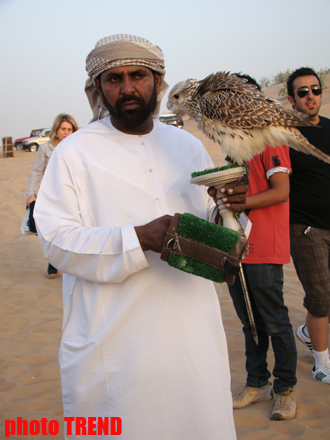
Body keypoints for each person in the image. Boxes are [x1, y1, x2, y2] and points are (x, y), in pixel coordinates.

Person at [34, 34, 247, 440]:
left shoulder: (188, 146)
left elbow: (218, 236)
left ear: (158, 82)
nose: (127, 88)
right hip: (113, 340)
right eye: (113, 79)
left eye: (138, 75)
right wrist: (139, 238)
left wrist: (231, 210)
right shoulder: (73, 152)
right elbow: (56, 239)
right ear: (98, 87)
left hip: (190, 335)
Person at [227, 74, 297, 420]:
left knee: (274, 320)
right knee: (250, 322)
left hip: (266, 245)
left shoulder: (270, 138)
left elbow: (280, 190)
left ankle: (285, 389)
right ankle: (256, 383)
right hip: (238, 246)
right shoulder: (235, 143)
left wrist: (243, 203)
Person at [287, 67, 330, 384]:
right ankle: (322, 364)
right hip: (304, 228)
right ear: (291, 99)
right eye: (303, 92)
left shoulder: (329, 128)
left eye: (315, 90)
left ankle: (306, 332)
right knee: (321, 297)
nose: (310, 96)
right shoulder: (285, 134)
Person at [26, 113, 78, 279]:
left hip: (73, 195)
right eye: (63, 129)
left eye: (70, 129)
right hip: (51, 196)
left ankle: (72, 263)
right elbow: (36, 171)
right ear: (56, 130)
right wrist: (30, 195)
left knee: (73, 229)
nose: (66, 132)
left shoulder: (77, 147)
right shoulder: (46, 148)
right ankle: (53, 262)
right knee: (54, 230)